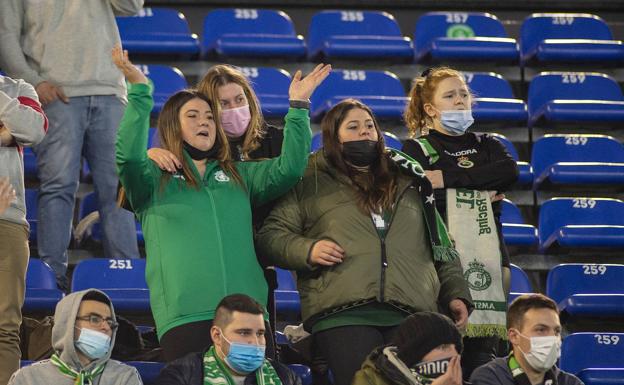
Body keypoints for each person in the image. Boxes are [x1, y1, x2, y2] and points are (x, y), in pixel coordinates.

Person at [113, 46, 330, 362]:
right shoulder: (152, 178)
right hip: (186, 314)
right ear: (174, 126)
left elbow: (290, 168)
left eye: (209, 117)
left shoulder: (239, 174)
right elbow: (127, 157)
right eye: (193, 115)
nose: (205, 122)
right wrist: (140, 93)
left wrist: (298, 107)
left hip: (250, 316)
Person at [257, 98, 473, 385]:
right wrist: (308, 250)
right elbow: (271, 237)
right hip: (342, 313)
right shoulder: (309, 177)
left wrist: (455, 292)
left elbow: (440, 241)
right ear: (334, 136)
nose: (365, 132)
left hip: (411, 314)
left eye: (370, 126)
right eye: (354, 126)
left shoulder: (409, 176)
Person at [0, 0, 143, 291]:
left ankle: (127, 277)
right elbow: (6, 35)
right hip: (55, 91)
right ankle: (52, 280)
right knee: (58, 186)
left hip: (109, 89)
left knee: (118, 190)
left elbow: (131, 6)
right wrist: (35, 82)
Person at [146, 64, 286, 336]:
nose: (234, 109)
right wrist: (150, 153)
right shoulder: (198, 151)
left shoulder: (276, 139)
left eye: (240, 100)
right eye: (223, 103)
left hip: (263, 256)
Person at [401, 67, 519, 378]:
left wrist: (446, 180)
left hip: (492, 258)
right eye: (450, 95)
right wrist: (480, 190)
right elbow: (423, 197)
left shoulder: (487, 142)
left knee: (483, 355)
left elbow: (509, 173)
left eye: (464, 94)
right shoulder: (415, 148)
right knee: (441, 352)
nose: (459, 101)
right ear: (430, 108)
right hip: (442, 260)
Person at [0, 74, 47, 385]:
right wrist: (6, 130)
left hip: (10, 219)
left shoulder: (18, 88)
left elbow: (33, 129)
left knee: (5, 326)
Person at [154, 294, 300, 385]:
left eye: (260, 333)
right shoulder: (181, 374)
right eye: (244, 333)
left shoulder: (285, 377)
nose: (255, 342)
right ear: (217, 335)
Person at [8, 289, 143, 385]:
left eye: (110, 322)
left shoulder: (125, 377)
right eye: (94, 319)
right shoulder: (28, 378)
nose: (106, 327)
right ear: (68, 323)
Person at [470, 294, 583, 385]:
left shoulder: (571, 382)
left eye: (557, 331)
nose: (552, 338)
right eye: (541, 330)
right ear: (514, 336)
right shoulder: (489, 377)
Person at [353, 312, 463, 385]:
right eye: (443, 347)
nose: (454, 355)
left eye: (457, 349)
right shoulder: (370, 380)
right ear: (415, 353)